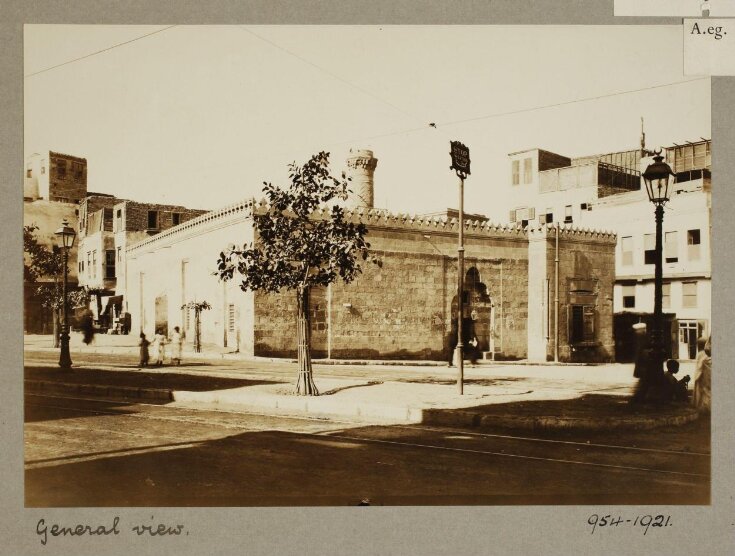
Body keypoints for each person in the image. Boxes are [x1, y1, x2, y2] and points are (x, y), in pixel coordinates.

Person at [693, 335, 711, 413]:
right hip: (705, 374)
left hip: (703, 374)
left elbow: (699, 365)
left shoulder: (701, 354)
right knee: (706, 391)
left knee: (704, 390)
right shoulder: (706, 354)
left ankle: (704, 407)